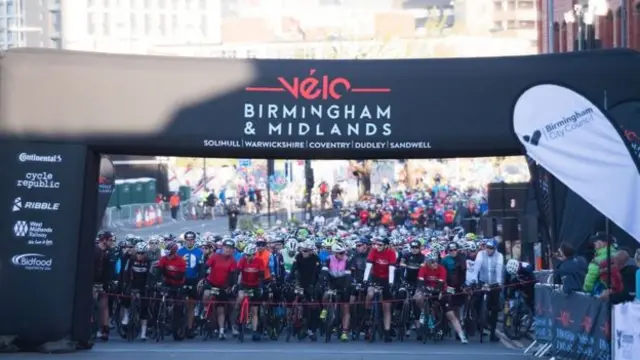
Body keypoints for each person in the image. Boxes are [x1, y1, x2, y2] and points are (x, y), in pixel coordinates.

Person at [363, 236, 397, 342]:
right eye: (376, 244)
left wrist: (391, 283)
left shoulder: (391, 253)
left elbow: (391, 269)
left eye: (380, 245)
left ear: (386, 246)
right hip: (375, 277)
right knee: (370, 293)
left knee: (386, 307)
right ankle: (368, 313)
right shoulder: (373, 250)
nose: (377, 246)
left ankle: (387, 332)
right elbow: (368, 266)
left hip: (387, 279)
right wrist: (365, 279)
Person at [287, 239, 322, 341]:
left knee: (314, 308)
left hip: (312, 284)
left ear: (311, 251)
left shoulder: (316, 258)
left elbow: (316, 273)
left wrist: (313, 285)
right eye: (303, 250)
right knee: (291, 296)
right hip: (300, 283)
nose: (304, 252)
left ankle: (312, 330)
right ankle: (294, 321)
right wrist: (289, 279)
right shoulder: (298, 257)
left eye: (306, 251)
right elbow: (293, 269)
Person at [204, 239, 237, 340]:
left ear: (232, 250)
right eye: (226, 247)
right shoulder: (215, 256)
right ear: (222, 248)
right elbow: (205, 266)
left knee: (220, 310)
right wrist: (203, 278)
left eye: (230, 248)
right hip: (211, 283)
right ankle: (204, 309)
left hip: (223, 287)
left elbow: (233, 276)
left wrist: (230, 287)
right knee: (206, 293)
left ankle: (221, 331)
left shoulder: (233, 261)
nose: (228, 250)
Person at [472, 238, 504, 342]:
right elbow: (477, 267)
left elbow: (499, 269)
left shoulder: (499, 256)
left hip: (494, 284)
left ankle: (493, 333)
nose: (489, 250)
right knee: (476, 302)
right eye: (487, 248)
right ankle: (477, 321)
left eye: (491, 248)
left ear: (495, 248)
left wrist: (499, 282)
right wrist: (474, 279)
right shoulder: (481, 254)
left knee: (494, 308)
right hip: (482, 282)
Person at [320, 242, 353, 342]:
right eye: (340, 253)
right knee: (326, 294)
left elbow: (348, 276)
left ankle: (344, 332)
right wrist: (324, 282)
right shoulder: (329, 259)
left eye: (344, 252)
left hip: (343, 282)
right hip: (332, 281)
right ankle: (325, 309)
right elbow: (324, 272)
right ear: (335, 253)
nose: (343, 254)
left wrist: (346, 288)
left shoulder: (347, 260)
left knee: (346, 308)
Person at [120, 242, 151, 341]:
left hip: (143, 284)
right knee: (125, 295)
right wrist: (125, 283)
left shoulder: (149, 261)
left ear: (145, 253)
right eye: (138, 253)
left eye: (142, 253)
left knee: (144, 306)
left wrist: (149, 285)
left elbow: (150, 275)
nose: (140, 255)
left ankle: (143, 332)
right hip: (132, 282)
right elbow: (125, 272)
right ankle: (126, 314)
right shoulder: (131, 260)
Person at [236, 244, 266, 342]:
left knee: (254, 311)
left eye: (249, 255)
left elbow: (262, 276)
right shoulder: (243, 260)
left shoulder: (259, 261)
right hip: (244, 284)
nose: (247, 257)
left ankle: (254, 331)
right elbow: (238, 271)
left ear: (254, 255)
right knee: (240, 297)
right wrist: (236, 283)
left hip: (255, 285)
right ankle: (238, 315)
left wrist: (261, 287)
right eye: (246, 255)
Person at [176, 231, 204, 338]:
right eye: (187, 240)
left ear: (194, 240)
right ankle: (177, 324)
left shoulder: (199, 252)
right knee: (179, 303)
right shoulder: (180, 252)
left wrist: (200, 280)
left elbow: (201, 268)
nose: (189, 242)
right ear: (185, 240)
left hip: (193, 280)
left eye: (191, 240)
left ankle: (190, 327)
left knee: (191, 306)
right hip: (181, 280)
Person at [94, 231, 116, 341]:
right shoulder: (94, 251)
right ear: (104, 240)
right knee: (91, 305)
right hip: (92, 282)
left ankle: (105, 329)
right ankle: (92, 327)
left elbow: (110, 269)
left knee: (104, 305)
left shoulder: (109, 252)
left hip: (103, 283)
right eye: (110, 240)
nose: (112, 242)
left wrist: (109, 282)